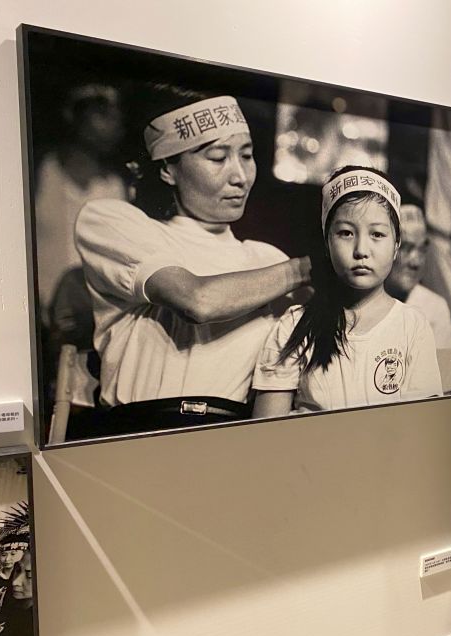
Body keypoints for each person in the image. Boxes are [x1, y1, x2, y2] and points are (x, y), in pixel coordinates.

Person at [75, 87, 313, 436]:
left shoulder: (266, 260)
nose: (240, 176)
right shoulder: (113, 222)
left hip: (229, 439)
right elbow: (197, 300)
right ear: (168, 169)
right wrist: (307, 269)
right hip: (134, 436)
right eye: (218, 158)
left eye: (246, 156)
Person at [252, 166, 442, 414]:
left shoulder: (413, 327)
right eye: (346, 233)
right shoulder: (293, 327)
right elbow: (267, 437)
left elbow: (421, 426)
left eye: (377, 234)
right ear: (326, 241)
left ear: (396, 246)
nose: (361, 249)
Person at [36, 83, 128, 351]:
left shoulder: (114, 186)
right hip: (33, 326)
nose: (113, 123)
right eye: (101, 113)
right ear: (72, 115)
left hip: (89, 329)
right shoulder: (40, 172)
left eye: (116, 116)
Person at [384, 204, 451, 348]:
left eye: (422, 250)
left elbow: (444, 369)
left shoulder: (435, 309)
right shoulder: (361, 302)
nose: (416, 262)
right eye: (406, 248)